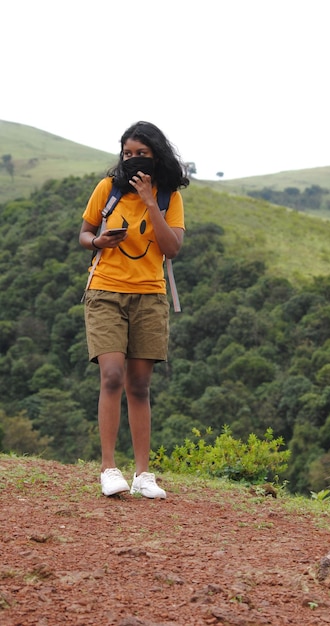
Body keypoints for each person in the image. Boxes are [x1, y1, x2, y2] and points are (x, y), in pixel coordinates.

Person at [79, 121, 188, 498]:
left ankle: (144, 474)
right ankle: (109, 468)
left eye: (141, 154)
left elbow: (171, 247)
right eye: (127, 153)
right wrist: (98, 240)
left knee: (139, 386)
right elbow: (84, 234)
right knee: (111, 376)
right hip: (105, 292)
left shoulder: (167, 196)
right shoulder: (106, 190)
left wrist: (147, 202)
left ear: (155, 156)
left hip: (149, 296)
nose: (132, 160)